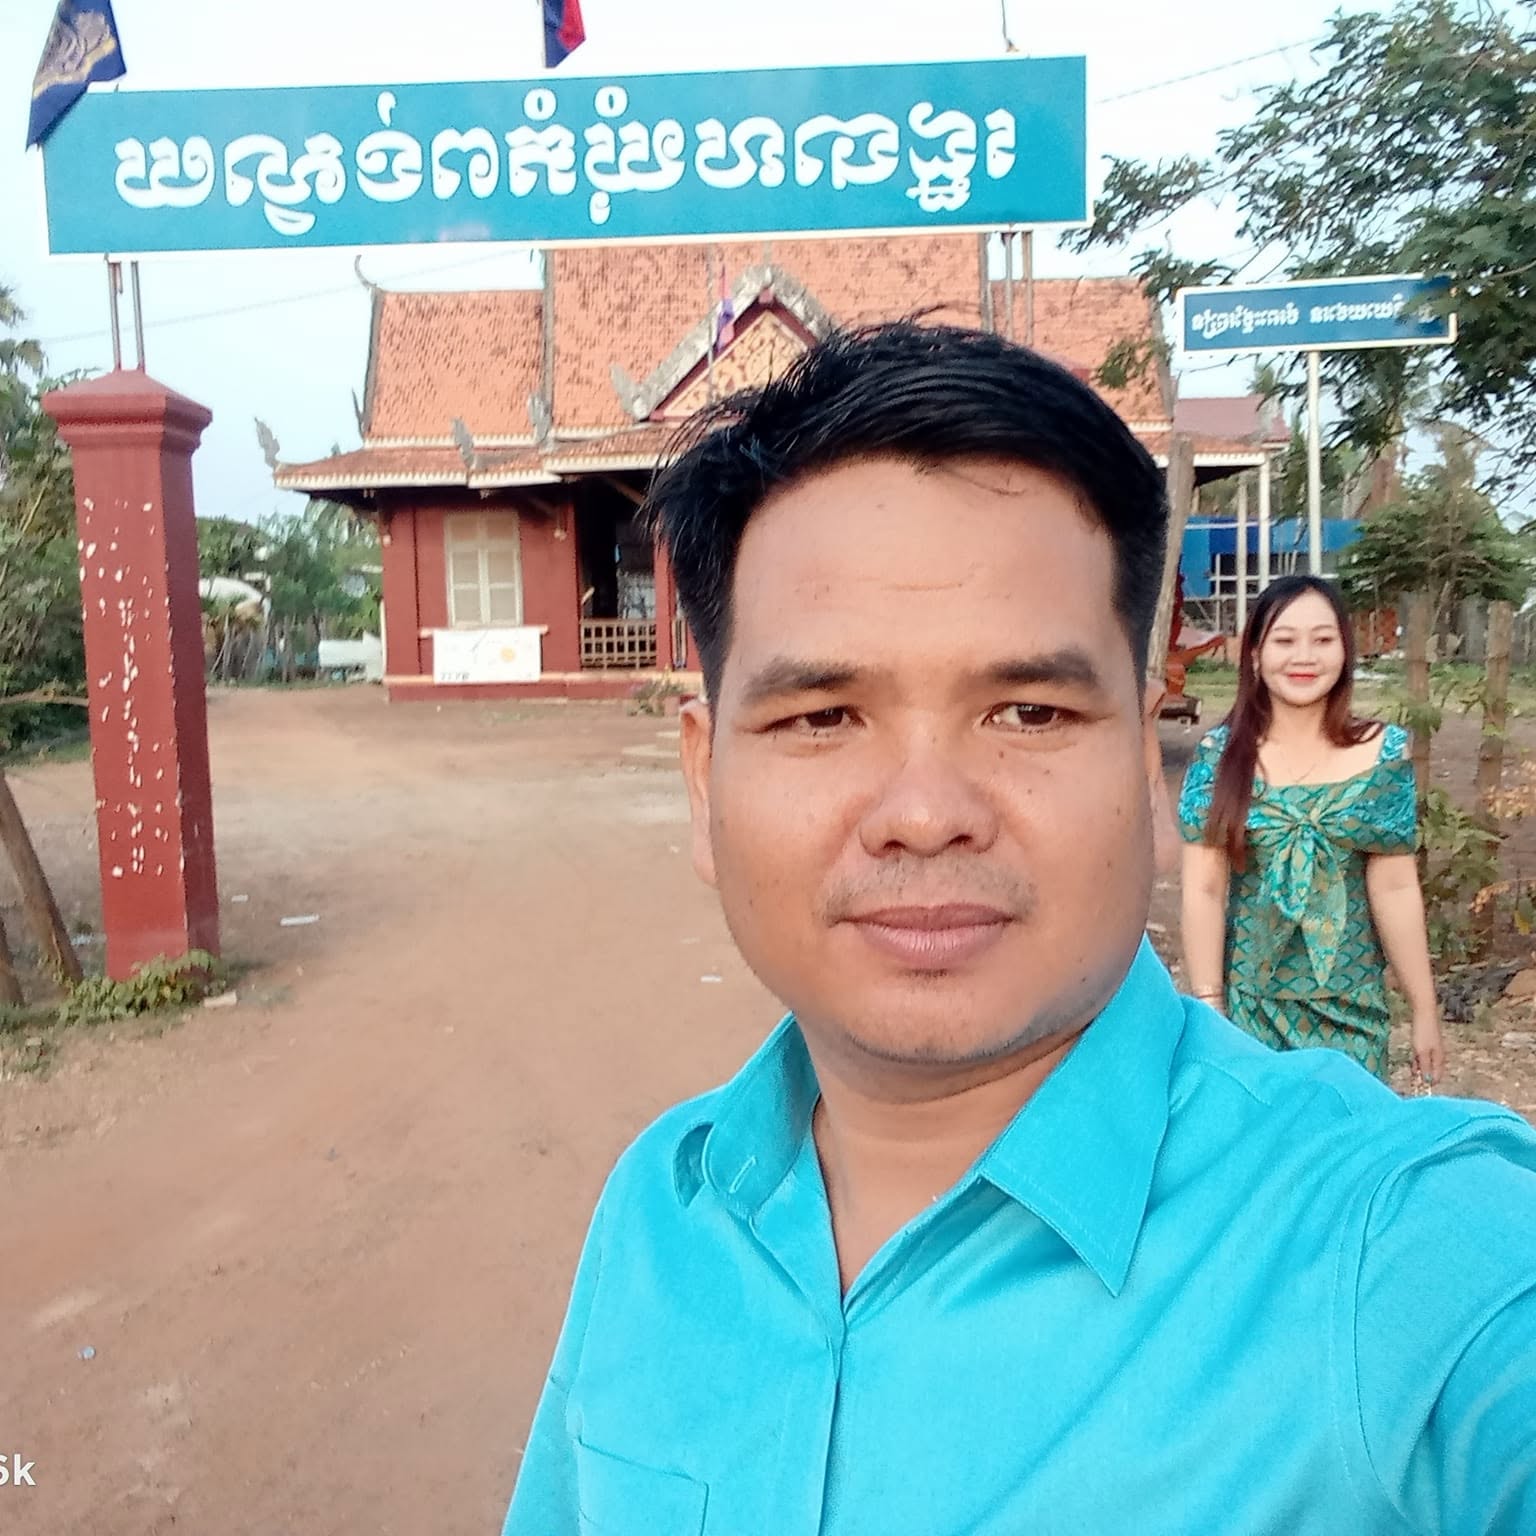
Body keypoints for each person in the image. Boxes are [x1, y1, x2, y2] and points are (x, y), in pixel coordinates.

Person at [500, 324, 1536, 1536]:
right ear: (703, 781)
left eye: (1030, 711)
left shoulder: (1407, 1254)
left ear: (1146, 763)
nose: (925, 814)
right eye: (822, 718)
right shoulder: (660, 1213)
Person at [1178, 574, 1445, 1085]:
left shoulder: (1383, 755)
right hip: (1249, 1015)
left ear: (1345, 652)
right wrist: (1211, 1008)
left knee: (1352, 1131)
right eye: (1284, 640)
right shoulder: (1220, 758)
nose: (1304, 657)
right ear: (1255, 656)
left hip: (1353, 1012)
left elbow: (1394, 887)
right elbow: (1204, 889)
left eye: (1322, 640)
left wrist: (1424, 1008)